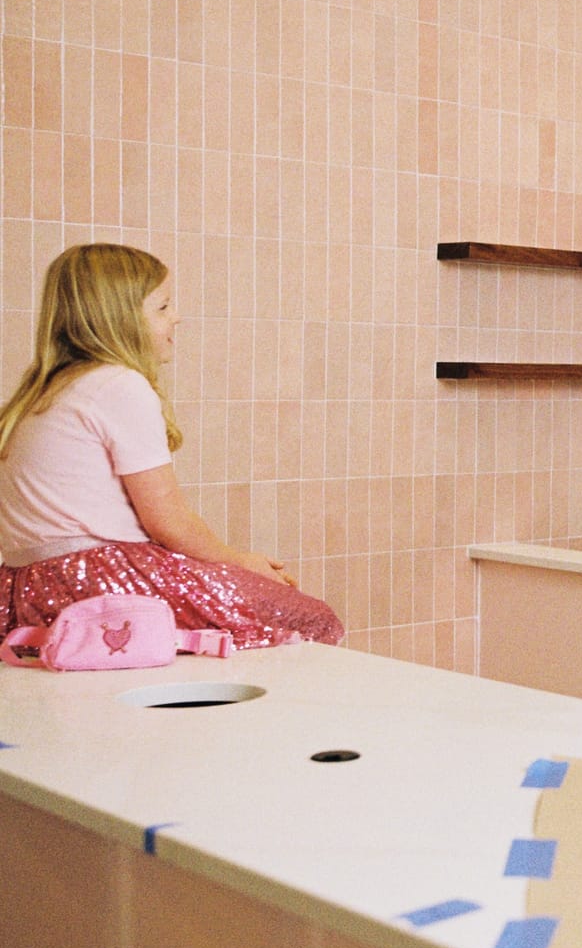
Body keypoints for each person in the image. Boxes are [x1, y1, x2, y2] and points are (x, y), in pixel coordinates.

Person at [0, 243, 343, 649]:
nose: (177, 317)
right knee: (309, 619)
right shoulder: (118, 385)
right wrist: (240, 561)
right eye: (163, 307)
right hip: (102, 583)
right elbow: (168, 522)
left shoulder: (41, 394)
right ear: (119, 317)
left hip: (28, 591)